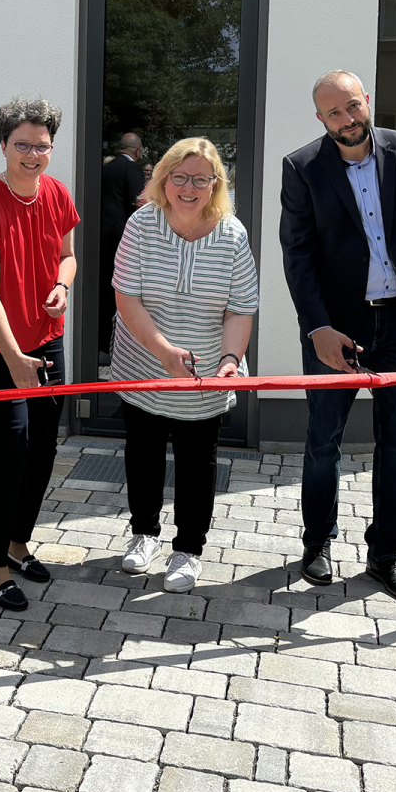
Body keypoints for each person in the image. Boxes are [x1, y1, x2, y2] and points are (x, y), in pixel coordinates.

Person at [279, 69, 396, 603]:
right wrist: (317, 329)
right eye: (335, 113)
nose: (348, 120)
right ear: (321, 119)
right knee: (322, 441)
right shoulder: (302, 168)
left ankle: (385, 556)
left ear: (367, 100)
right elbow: (298, 254)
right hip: (338, 328)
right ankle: (317, 545)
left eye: (353, 106)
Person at [111, 138, 258, 593]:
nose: (189, 187)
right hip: (143, 363)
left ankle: (189, 549)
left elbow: (240, 307)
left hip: (204, 375)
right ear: (164, 178)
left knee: (198, 462)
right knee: (144, 452)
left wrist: (231, 359)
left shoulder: (232, 234)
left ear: (216, 184)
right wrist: (163, 353)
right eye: (180, 177)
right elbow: (126, 299)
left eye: (201, 179)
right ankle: (144, 533)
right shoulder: (141, 224)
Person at [0, 98, 78, 611]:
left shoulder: (56, 192)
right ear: (3, 145)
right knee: (11, 441)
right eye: (22, 144)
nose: (32, 154)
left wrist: (61, 286)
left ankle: (17, 541)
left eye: (41, 146)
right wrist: (14, 359)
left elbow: (68, 258)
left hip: (44, 331)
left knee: (46, 440)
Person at [99, 132, 144, 358]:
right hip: (121, 236)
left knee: (104, 288)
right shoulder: (132, 169)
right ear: (138, 150)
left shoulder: (105, 168)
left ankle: (100, 341)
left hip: (101, 234)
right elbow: (138, 204)